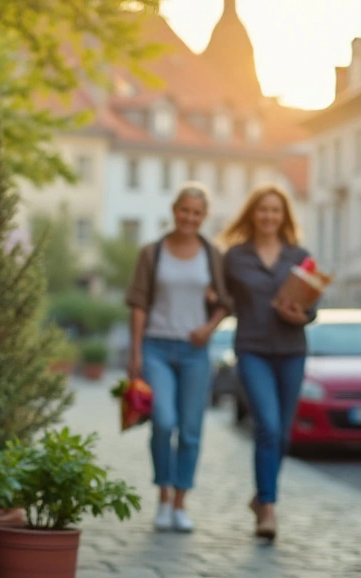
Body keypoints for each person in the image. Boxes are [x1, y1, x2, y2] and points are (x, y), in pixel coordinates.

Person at [125, 184, 232, 533]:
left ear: (204, 216)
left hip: (194, 351)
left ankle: (182, 503)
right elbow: (139, 303)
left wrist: (209, 328)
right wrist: (136, 351)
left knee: (190, 431)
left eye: (197, 213)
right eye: (184, 210)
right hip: (156, 346)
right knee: (163, 421)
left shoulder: (212, 254)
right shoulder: (152, 253)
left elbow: (225, 303)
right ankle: (163, 496)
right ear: (174, 211)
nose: (190, 217)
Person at [216, 184, 315, 541]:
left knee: (283, 436)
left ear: (284, 216)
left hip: (292, 350)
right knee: (268, 427)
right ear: (252, 214)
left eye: (276, 210)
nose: (269, 216)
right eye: (263, 210)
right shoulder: (235, 257)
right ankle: (269, 510)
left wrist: (297, 315)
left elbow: (311, 308)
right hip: (253, 349)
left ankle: (261, 497)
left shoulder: (299, 256)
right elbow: (220, 298)